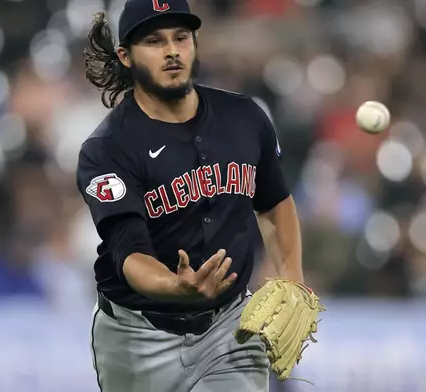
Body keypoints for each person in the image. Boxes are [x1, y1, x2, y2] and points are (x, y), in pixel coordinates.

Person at [76, 0, 306, 391]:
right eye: (154, 41)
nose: (171, 51)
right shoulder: (107, 148)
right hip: (138, 335)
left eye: (181, 37)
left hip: (228, 327)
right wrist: (174, 287)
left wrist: (294, 280)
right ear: (125, 56)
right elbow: (128, 251)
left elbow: (274, 202)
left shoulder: (245, 118)